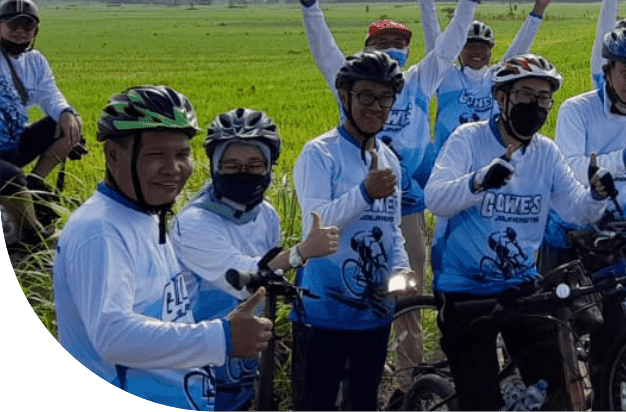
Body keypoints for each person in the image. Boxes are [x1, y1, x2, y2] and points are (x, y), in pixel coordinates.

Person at [289, 0, 483, 374]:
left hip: (407, 202)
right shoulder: (351, 85)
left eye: (398, 42)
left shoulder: (416, 82)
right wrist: (308, 0)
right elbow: (324, 50)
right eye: (381, 43)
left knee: (406, 291)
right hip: (351, 205)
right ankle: (341, 372)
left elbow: (450, 44)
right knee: (348, 288)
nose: (390, 49)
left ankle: (406, 373)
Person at [53, 86, 273, 410]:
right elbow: (112, 335)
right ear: (113, 154)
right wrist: (221, 338)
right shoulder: (100, 231)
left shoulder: (144, 213)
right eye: (156, 155)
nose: (173, 168)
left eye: (182, 154)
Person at [424, 54, 614, 411]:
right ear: (501, 98)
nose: (536, 106)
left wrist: (596, 196)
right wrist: (479, 181)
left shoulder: (547, 153)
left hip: (521, 285)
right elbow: (435, 199)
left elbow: (575, 209)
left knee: (558, 390)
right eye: (527, 95)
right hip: (465, 289)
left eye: (544, 99)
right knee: (481, 401)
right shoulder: (469, 139)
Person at [172, 108, 340, 411]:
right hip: (195, 373)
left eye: (254, 165)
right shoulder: (195, 223)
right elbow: (245, 279)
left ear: (269, 167)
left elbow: (269, 277)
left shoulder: (266, 216)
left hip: (242, 366)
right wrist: (301, 253)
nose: (243, 174)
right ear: (214, 167)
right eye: (231, 166)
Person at [290, 51, 418, 411]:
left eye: (385, 98)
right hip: (321, 314)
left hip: (374, 314)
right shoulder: (320, 153)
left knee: (363, 404)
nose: (376, 107)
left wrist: (401, 267)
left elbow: (391, 228)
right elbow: (315, 225)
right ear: (345, 97)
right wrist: (364, 192)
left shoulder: (389, 158)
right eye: (366, 96)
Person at [544, 25, 626, 269]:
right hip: (573, 234)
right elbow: (571, 169)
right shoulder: (576, 110)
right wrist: (624, 159)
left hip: (621, 231)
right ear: (608, 72)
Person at [414, 0, 556, 148]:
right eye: (470, 47)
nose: (477, 52)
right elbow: (433, 39)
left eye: (482, 47)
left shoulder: (497, 77)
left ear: (490, 52)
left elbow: (520, 48)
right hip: (447, 164)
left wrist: (539, 9)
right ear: (459, 50)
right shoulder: (447, 76)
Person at [1, 0, 85, 249]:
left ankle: (35, 183)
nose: (19, 32)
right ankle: (33, 236)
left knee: (70, 124)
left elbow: (49, 93)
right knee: (11, 175)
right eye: (13, 25)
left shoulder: (35, 61)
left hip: (12, 144)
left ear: (35, 31)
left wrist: (66, 113)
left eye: (27, 27)